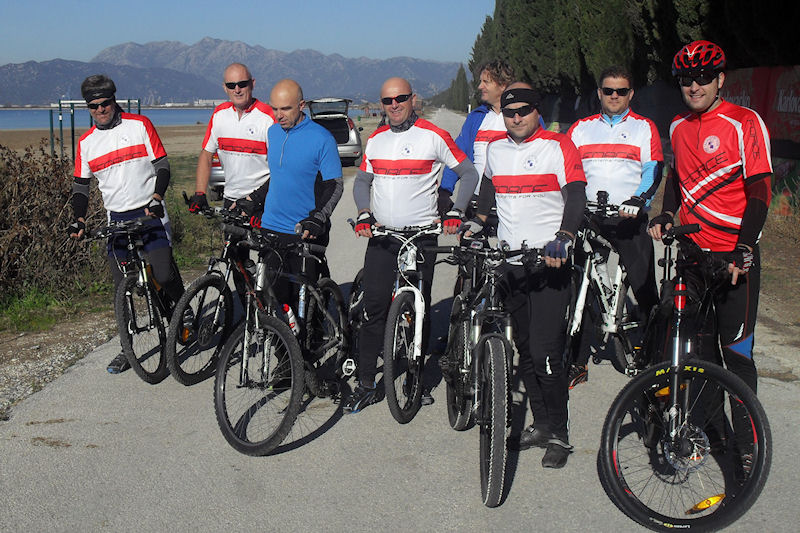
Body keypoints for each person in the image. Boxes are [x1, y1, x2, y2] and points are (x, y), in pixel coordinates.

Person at [465, 82, 586, 468]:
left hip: (549, 263)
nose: (516, 118)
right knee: (526, 351)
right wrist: (475, 222)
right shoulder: (496, 150)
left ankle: (560, 434)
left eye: (524, 111)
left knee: (547, 353)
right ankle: (542, 424)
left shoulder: (558, 146)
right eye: (510, 113)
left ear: (538, 111)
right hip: (511, 263)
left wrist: (564, 237)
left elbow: (577, 195)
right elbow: (488, 190)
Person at [343, 77, 479, 414]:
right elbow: (362, 181)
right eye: (387, 100)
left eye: (400, 98)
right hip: (383, 236)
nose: (394, 105)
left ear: (412, 99)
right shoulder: (376, 139)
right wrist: (363, 212)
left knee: (420, 306)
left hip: (422, 236)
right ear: (381, 104)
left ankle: (416, 379)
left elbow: (468, 174)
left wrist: (456, 211)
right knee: (374, 308)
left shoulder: (433, 136)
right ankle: (366, 383)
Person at [648, 40, 772, 394]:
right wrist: (666, 213)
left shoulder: (745, 121)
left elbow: (761, 189)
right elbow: (677, 177)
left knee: (736, 355)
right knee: (699, 355)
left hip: (733, 257)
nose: (694, 86)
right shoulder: (677, 125)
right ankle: (706, 427)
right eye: (686, 79)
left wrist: (745, 247)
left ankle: (749, 432)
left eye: (703, 77)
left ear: (720, 79)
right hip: (692, 255)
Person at [69, 74, 185, 374]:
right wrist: (78, 219)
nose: (100, 110)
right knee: (121, 288)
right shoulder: (87, 143)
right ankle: (127, 349)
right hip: (117, 219)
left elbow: (162, 165)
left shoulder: (139, 125)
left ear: (114, 100)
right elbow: (81, 187)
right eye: (93, 106)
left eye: (105, 103)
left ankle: (182, 312)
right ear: (88, 108)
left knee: (163, 273)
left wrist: (157, 197)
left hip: (148, 212)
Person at [566, 65, 663, 387]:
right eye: (608, 90)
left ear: (631, 94)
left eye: (621, 91)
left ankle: (657, 358)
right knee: (580, 288)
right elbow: (565, 169)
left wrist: (639, 200)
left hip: (628, 219)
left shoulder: (644, 128)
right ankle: (578, 362)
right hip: (589, 218)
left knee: (645, 290)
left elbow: (654, 169)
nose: (614, 96)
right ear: (599, 93)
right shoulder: (581, 129)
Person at [255, 79, 343, 303]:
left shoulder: (322, 138)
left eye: (285, 109)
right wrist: (253, 199)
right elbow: (279, 176)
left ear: (301, 105)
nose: (279, 115)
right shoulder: (273, 133)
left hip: (304, 230)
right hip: (271, 228)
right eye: (274, 109)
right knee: (274, 300)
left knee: (304, 304)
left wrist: (318, 218)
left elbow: (335, 185)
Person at [439, 60, 546, 218]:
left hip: (514, 204)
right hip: (476, 203)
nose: (480, 86)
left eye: (486, 82)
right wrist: (445, 191)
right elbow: (457, 156)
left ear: (502, 85)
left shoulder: (528, 118)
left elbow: (543, 158)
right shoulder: (476, 118)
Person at [188, 62, 274, 216]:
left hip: (263, 202)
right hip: (230, 200)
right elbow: (206, 154)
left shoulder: (269, 118)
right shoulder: (219, 114)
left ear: (252, 84)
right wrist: (200, 193)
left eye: (242, 84)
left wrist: (256, 198)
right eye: (231, 85)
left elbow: (282, 167)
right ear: (224, 88)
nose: (237, 89)